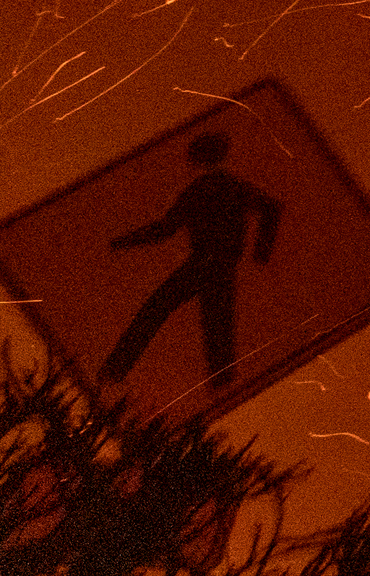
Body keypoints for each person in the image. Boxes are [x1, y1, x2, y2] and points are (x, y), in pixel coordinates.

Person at [102, 133, 282, 398]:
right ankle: (222, 383)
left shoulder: (202, 189)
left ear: (201, 158)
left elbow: (164, 229)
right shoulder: (233, 186)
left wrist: (121, 242)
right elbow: (271, 208)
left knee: (159, 310)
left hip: (204, 263)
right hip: (220, 264)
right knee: (216, 323)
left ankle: (114, 371)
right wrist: (259, 253)